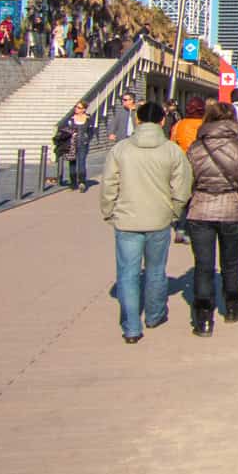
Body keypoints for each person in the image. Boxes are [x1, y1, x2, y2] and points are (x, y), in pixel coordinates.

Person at [99, 101, 192, 344]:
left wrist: (109, 210)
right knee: (155, 270)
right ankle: (154, 314)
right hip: (159, 218)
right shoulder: (171, 150)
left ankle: (131, 327)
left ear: (137, 120)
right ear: (163, 121)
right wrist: (175, 211)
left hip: (127, 218)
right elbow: (182, 186)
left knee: (128, 274)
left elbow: (109, 184)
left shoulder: (121, 149)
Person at [184, 101, 238, 336]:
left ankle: (204, 316)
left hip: (201, 208)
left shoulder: (196, 148)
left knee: (203, 265)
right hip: (231, 209)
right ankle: (233, 306)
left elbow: (186, 181)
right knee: (231, 262)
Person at [59, 100, 96, 189]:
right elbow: (64, 129)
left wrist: (87, 138)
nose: (76, 109)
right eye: (76, 107)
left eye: (79, 108)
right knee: (72, 162)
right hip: (72, 143)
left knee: (82, 161)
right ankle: (73, 181)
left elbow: (91, 131)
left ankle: (82, 181)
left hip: (83, 143)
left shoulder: (88, 118)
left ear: (84, 109)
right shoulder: (71, 119)